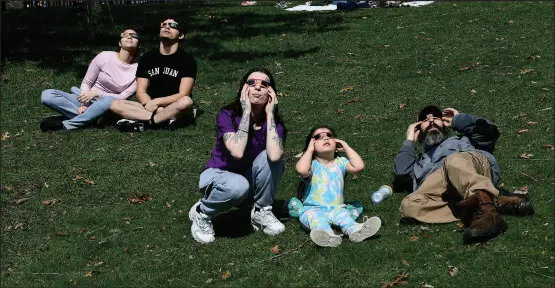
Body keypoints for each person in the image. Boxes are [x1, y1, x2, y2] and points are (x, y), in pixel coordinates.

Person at [393, 105, 534, 244]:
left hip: (469, 165)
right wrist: (409, 140)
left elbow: (489, 131)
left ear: (445, 124)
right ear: (419, 130)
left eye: (436, 118)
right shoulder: (420, 163)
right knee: (408, 206)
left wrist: (459, 120)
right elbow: (402, 175)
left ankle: (489, 216)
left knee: (453, 161)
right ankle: (493, 202)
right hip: (443, 186)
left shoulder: (462, 139)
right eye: (425, 120)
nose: (430, 121)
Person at [189, 67, 286, 244]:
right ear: (243, 89)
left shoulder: (275, 124)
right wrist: (247, 112)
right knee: (237, 185)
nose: (257, 87)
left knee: (272, 158)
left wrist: (270, 114)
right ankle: (202, 212)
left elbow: (274, 157)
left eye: (264, 84)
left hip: (246, 182)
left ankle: (261, 212)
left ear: (271, 93)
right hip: (218, 176)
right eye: (251, 83)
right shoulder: (227, 115)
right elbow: (237, 151)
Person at [295, 125, 382, 247]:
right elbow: (301, 170)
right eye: (318, 137)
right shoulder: (312, 165)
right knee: (317, 220)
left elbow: (359, 167)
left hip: (337, 209)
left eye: (329, 136)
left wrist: (346, 148)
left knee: (346, 218)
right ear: (312, 144)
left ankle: (355, 231)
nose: (325, 138)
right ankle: (327, 235)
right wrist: (309, 150)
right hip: (313, 209)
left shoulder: (341, 163)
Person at [40, 29, 140, 131]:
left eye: (134, 35)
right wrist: (84, 104)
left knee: (109, 100)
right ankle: (90, 118)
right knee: (47, 95)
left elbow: (121, 97)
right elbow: (87, 82)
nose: (129, 37)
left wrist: (97, 94)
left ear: (138, 45)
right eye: (125, 35)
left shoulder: (139, 70)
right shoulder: (104, 56)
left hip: (107, 106)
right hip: (86, 98)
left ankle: (68, 125)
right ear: (119, 43)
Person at [111, 17, 197, 131]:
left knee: (186, 102)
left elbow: (183, 94)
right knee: (114, 104)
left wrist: (158, 102)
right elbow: (141, 91)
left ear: (181, 35)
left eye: (173, 26)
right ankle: (166, 119)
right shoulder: (148, 57)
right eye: (164, 24)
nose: (167, 27)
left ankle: (145, 122)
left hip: (174, 104)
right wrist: (148, 103)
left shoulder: (187, 60)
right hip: (150, 105)